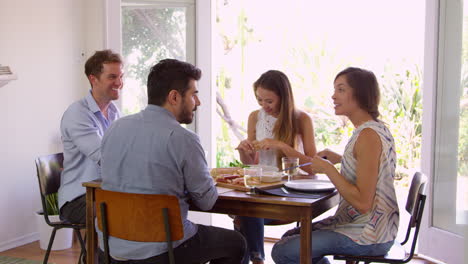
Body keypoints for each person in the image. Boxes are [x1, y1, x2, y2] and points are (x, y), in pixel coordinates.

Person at [98, 58, 246, 264]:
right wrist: (210, 178)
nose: (198, 102)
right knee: (235, 243)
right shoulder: (183, 139)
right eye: (194, 94)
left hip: (111, 249)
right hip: (162, 250)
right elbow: (207, 201)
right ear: (174, 97)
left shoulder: (114, 128)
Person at [271, 67, 399, 264]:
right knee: (290, 235)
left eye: (341, 90)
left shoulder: (368, 136)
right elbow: (373, 166)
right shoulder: (374, 129)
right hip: (372, 227)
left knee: (283, 250)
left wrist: (328, 169)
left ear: (360, 95)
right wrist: (340, 159)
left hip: (369, 233)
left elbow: (363, 203)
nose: (333, 96)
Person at [236, 70, 317, 264]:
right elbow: (251, 164)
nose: (264, 106)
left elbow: (312, 167)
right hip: (261, 187)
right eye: (260, 100)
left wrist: (281, 145)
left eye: (269, 101)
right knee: (245, 207)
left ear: (284, 97)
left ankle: (255, 259)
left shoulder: (301, 119)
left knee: (246, 211)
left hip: (289, 189)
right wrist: (243, 150)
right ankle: (257, 259)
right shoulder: (255, 117)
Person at [58, 49, 123, 224]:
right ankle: (101, 253)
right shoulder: (77, 113)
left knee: (147, 207)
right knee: (127, 212)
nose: (119, 82)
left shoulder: (114, 112)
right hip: (77, 200)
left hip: (104, 192)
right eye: (112, 77)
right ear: (93, 79)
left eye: (121, 76)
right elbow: (105, 157)